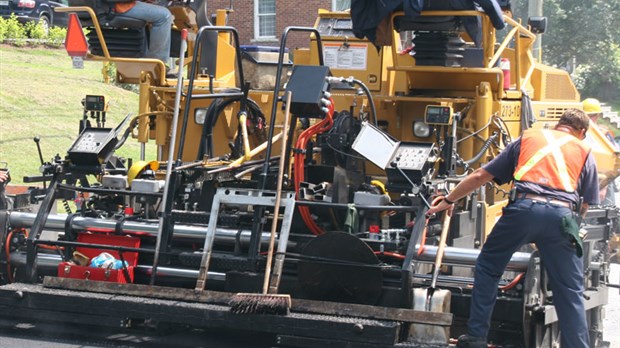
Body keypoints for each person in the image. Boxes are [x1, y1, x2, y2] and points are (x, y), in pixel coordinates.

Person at [426, 108, 599, 348]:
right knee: (570, 289)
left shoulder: (528, 138)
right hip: (562, 216)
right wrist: (567, 234)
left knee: (488, 266)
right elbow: (585, 205)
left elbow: (479, 176)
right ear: (581, 132)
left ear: (559, 124)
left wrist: (449, 200)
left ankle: (476, 337)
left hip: (523, 209)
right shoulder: (584, 151)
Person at [114, 0, 173, 70]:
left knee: (159, 6)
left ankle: (146, 61)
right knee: (164, 16)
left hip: (113, 4)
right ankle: (155, 66)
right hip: (115, 5)